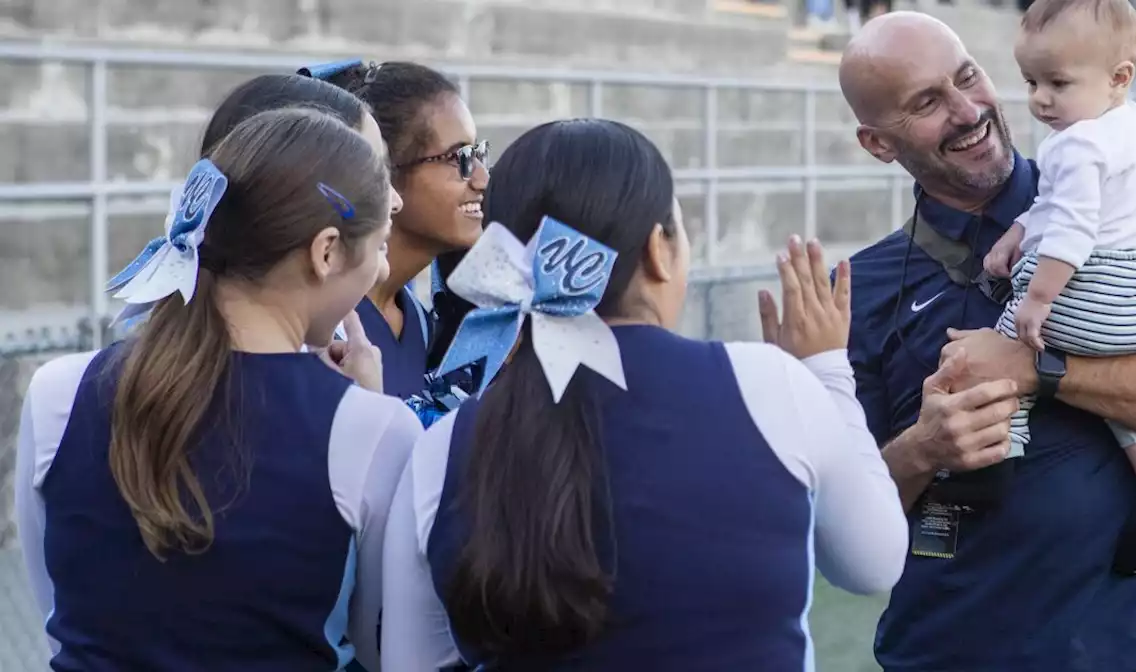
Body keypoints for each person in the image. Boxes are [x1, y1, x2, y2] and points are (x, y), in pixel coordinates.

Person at [378, 118, 909, 671]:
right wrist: (826, 371)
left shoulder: (439, 448)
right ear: (659, 248)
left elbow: (403, 659)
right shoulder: (771, 384)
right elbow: (875, 560)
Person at [839, 11, 1136, 672]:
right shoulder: (858, 288)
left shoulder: (1128, 203)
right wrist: (921, 449)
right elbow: (845, 519)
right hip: (953, 649)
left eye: (968, 77)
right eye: (927, 103)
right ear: (878, 144)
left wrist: (1039, 369)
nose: (968, 110)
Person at [15, 108, 421, 671]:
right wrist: (364, 412)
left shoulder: (59, 390)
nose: (379, 274)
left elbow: (61, 616)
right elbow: (387, 648)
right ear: (326, 251)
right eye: (378, 248)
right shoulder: (374, 429)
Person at [977, 0, 1136, 576]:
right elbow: (1055, 206)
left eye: (1058, 83)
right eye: (1031, 82)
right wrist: (1019, 230)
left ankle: (996, 466)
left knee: (1000, 354)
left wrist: (1037, 299)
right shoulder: (1128, 126)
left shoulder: (1076, 143)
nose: (1040, 98)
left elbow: (1071, 227)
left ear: (1120, 77)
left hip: (1090, 294)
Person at [301, 59, 490, 411]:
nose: (481, 179)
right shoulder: (327, 324)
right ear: (382, 171)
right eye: (460, 157)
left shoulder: (416, 316)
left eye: (479, 153)